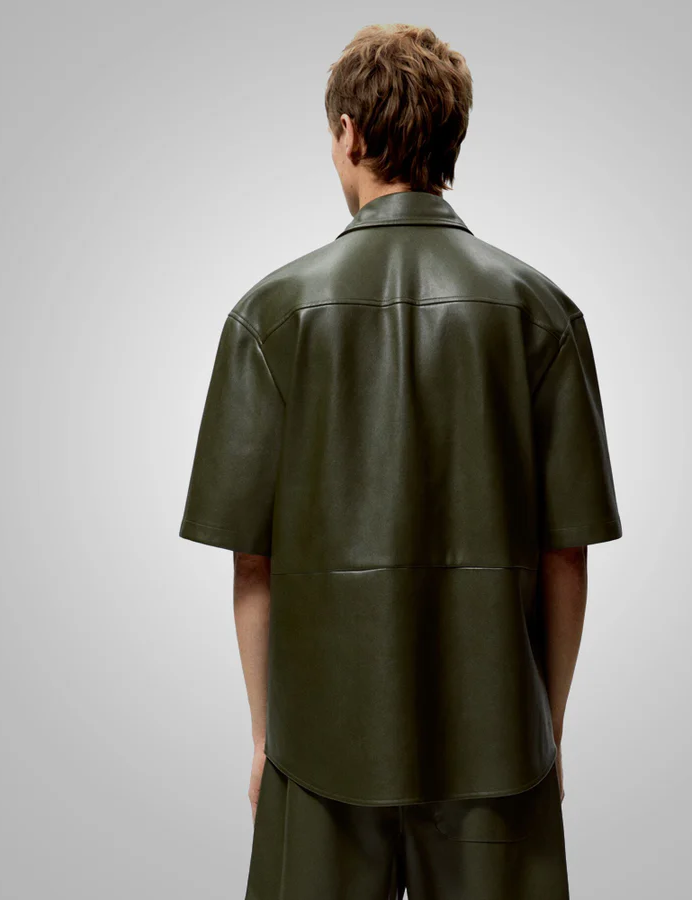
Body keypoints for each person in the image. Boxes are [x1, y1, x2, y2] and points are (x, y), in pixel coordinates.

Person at [179, 23, 622, 900]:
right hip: (498, 746)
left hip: (317, 749)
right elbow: (566, 553)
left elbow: (253, 563)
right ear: (453, 137)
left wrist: (267, 741)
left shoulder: (270, 314)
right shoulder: (543, 313)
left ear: (347, 133)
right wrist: (546, 729)